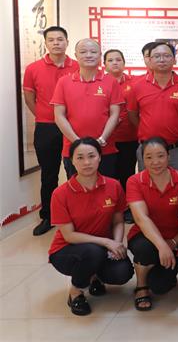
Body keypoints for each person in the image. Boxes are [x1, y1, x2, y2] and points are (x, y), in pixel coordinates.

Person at [47, 137, 133, 316]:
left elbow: (118, 221)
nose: (86, 162)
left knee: (122, 272)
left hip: (101, 248)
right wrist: (106, 242)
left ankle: (94, 276)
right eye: (80, 157)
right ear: (72, 160)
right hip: (67, 250)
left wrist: (117, 244)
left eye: (91, 156)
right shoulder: (60, 194)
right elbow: (69, 235)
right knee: (93, 252)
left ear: (100, 157)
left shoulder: (114, 185)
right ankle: (76, 292)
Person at [23, 26, 78, 236]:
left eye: (60, 39)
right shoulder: (33, 68)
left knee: (77, 172)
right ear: (45, 43)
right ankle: (48, 216)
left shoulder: (77, 66)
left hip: (74, 126)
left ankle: (78, 215)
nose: (56, 43)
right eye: (52, 40)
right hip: (46, 127)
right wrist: (46, 116)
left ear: (67, 42)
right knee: (49, 174)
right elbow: (30, 99)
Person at [126, 137, 178, 311]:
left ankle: (157, 271)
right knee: (144, 249)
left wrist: (174, 242)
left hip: (174, 239)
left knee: (161, 287)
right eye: (149, 157)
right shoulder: (135, 181)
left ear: (169, 156)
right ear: (142, 159)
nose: (155, 162)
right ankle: (141, 286)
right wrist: (162, 245)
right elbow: (141, 218)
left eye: (160, 156)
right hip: (144, 237)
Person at [51, 38, 122, 179]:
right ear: (76, 55)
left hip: (105, 148)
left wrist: (102, 138)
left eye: (93, 52)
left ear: (100, 55)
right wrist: (77, 142)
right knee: (76, 188)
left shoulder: (111, 81)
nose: (88, 55)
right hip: (73, 149)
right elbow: (59, 116)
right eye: (83, 52)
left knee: (106, 188)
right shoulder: (64, 82)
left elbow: (115, 114)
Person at [128, 42, 178, 175]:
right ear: (150, 60)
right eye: (157, 56)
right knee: (147, 185)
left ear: (174, 59)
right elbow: (132, 114)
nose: (162, 59)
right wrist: (146, 127)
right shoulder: (138, 86)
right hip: (148, 149)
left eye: (166, 56)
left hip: (177, 149)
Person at [103, 49, 137, 193]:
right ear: (104, 65)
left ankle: (127, 204)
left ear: (124, 63)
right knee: (108, 176)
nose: (115, 63)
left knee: (127, 174)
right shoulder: (100, 82)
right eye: (110, 60)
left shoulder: (135, 82)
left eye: (118, 60)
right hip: (106, 139)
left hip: (129, 137)